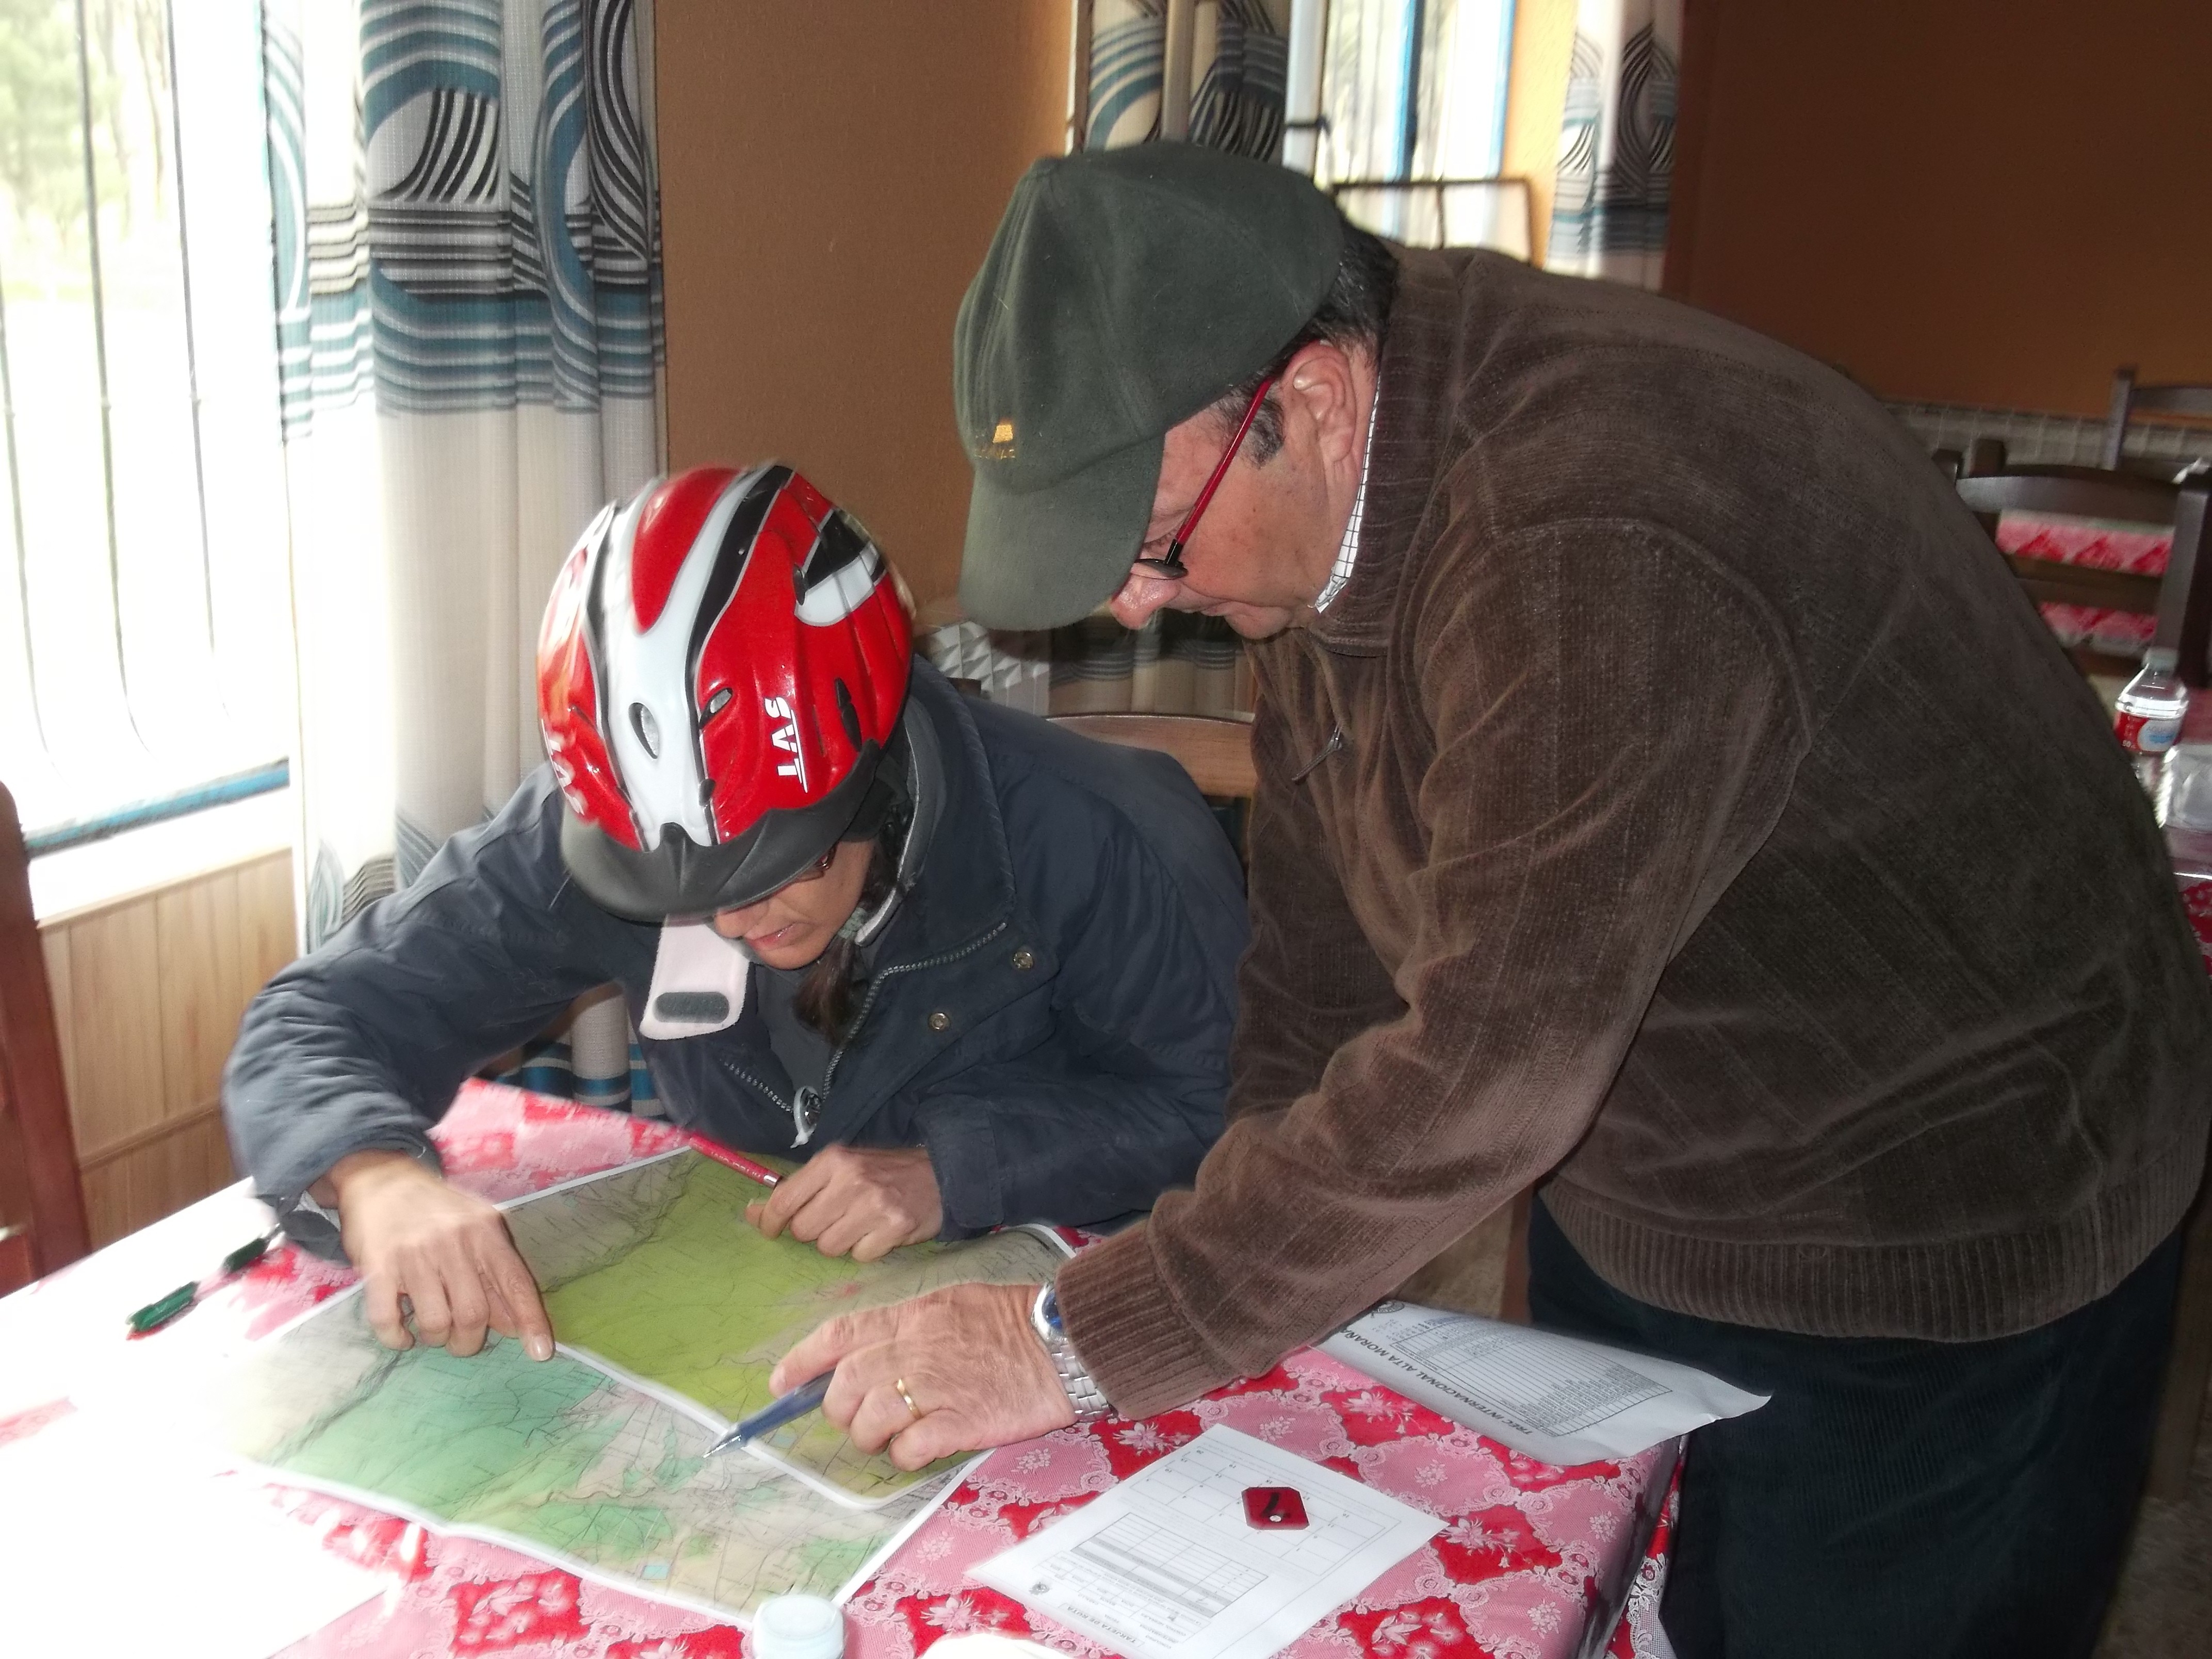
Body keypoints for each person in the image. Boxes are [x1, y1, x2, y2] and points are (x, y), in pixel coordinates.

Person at [769, 146, 2212, 1656]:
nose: (1136, 602)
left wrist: (1074, 1340)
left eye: (1147, 543)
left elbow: (1488, 1064)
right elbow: (1321, 960)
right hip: (1653, 1150)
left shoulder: (1587, 537)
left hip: (1946, 1214)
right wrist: (1224, 1249)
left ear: (1312, 402)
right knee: (1626, 1600)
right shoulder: (1319, 486)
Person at [223, 462, 1247, 1369]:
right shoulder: (613, 827)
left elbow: (1230, 1119)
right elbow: (314, 1016)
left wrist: (959, 1168)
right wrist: (372, 1172)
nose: (729, 923)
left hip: (1065, 1326)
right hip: (766, 1328)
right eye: (681, 892)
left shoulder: (1109, 837)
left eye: (776, 868)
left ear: (876, 776)